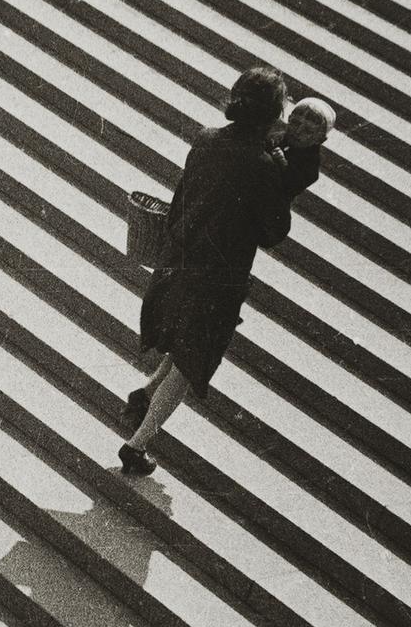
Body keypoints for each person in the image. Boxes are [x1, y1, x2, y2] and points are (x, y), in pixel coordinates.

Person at [118, 68, 336, 475]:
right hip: (218, 275)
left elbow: (184, 195)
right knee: (191, 361)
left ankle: (145, 393)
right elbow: (273, 231)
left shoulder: (206, 137)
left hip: (181, 258)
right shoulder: (264, 164)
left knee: (183, 345)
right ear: (273, 114)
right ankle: (138, 443)